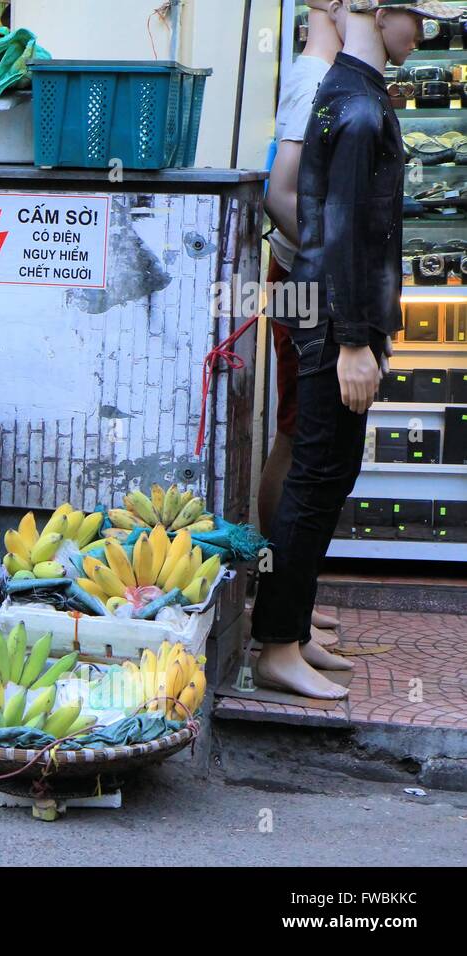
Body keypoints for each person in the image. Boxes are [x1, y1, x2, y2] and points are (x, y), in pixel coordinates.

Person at [252, 0, 424, 700]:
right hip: (336, 325)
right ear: (379, 13)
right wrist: (355, 340)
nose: (423, 31)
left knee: (327, 474)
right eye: (417, 15)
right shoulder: (354, 106)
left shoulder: (350, 94)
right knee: (319, 475)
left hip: (335, 320)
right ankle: (277, 645)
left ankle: (288, 633)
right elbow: (342, 232)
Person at [261, 0, 347, 644]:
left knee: (295, 433)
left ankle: (287, 593)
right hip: (299, 281)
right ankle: (277, 596)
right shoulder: (315, 78)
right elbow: (278, 190)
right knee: (296, 436)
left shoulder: (318, 71)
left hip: (299, 275)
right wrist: (329, 268)